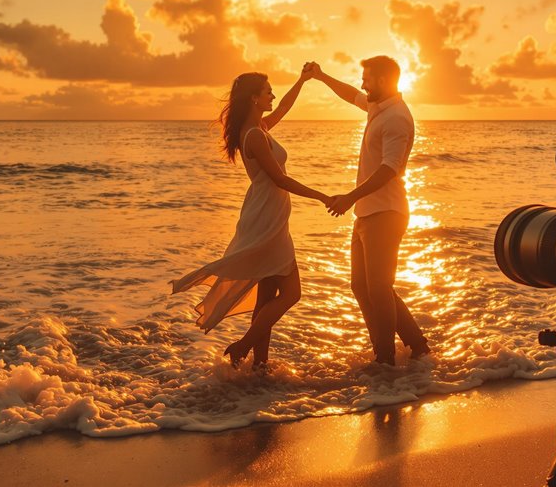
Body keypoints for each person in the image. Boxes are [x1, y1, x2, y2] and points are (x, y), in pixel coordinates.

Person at [171, 66, 330, 368]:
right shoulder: (255, 135)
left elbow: (284, 107)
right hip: (267, 221)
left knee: (267, 296)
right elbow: (280, 180)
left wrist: (302, 80)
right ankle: (243, 346)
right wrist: (322, 196)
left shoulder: (259, 129)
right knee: (292, 293)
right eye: (268, 91)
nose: (273, 95)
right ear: (255, 98)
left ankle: (260, 367)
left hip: (268, 215)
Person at [306, 57, 431, 366]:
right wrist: (321, 77)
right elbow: (351, 95)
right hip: (367, 213)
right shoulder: (379, 108)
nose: (362, 84)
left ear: (385, 82)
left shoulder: (397, 118)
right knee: (362, 286)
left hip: (386, 213)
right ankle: (416, 345)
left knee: (378, 288)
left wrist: (349, 197)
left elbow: (390, 169)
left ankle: (385, 360)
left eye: (367, 79)